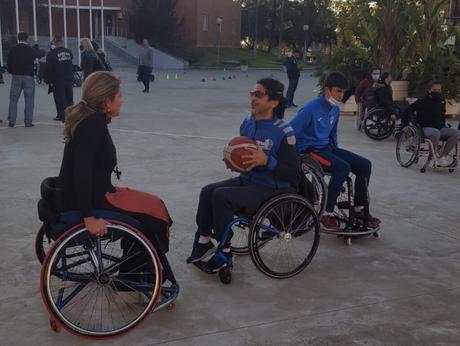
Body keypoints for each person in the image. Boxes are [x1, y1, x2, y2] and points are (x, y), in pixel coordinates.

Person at [186, 78, 300, 272]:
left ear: (273, 102)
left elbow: (293, 174)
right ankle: (204, 242)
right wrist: (235, 163)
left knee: (221, 196)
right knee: (207, 191)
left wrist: (267, 161)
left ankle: (225, 252)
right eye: (252, 93)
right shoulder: (247, 123)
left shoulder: (284, 131)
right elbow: (244, 157)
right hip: (247, 181)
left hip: (271, 189)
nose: (253, 98)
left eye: (259, 94)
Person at [57, 71, 172, 255]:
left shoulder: (91, 120)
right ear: (106, 102)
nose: (122, 100)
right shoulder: (92, 125)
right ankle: (138, 275)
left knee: (155, 204)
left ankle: (136, 269)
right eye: (119, 95)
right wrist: (89, 218)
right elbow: (82, 174)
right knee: (156, 215)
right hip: (95, 199)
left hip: (98, 192)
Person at [290, 72, 381, 231]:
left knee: (365, 165)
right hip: (310, 151)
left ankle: (359, 209)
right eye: (338, 91)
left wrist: (336, 152)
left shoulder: (334, 110)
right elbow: (289, 132)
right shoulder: (310, 109)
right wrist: (296, 158)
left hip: (327, 149)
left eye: (343, 92)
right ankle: (327, 213)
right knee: (342, 167)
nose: (341, 95)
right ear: (327, 90)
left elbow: (333, 134)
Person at [401, 81, 460, 167]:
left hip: (440, 128)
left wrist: (444, 125)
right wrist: (405, 126)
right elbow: (406, 112)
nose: (437, 92)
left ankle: (442, 156)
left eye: (439, 90)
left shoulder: (442, 102)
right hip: (424, 128)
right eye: (434, 90)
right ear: (429, 90)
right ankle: (432, 157)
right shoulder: (422, 101)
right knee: (436, 132)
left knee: (456, 132)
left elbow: (442, 116)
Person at [6, 32, 37, 128]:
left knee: (13, 99)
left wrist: (12, 71)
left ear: (18, 39)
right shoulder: (31, 50)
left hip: (16, 76)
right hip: (28, 76)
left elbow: (8, 62)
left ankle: (12, 120)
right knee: (29, 100)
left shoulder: (13, 49)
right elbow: (35, 61)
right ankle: (28, 122)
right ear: (26, 38)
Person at [44, 33, 74, 122]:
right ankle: (69, 115)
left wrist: (47, 79)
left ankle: (63, 117)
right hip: (69, 79)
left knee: (60, 99)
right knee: (69, 99)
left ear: (55, 42)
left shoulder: (51, 54)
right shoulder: (69, 52)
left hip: (58, 80)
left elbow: (49, 68)